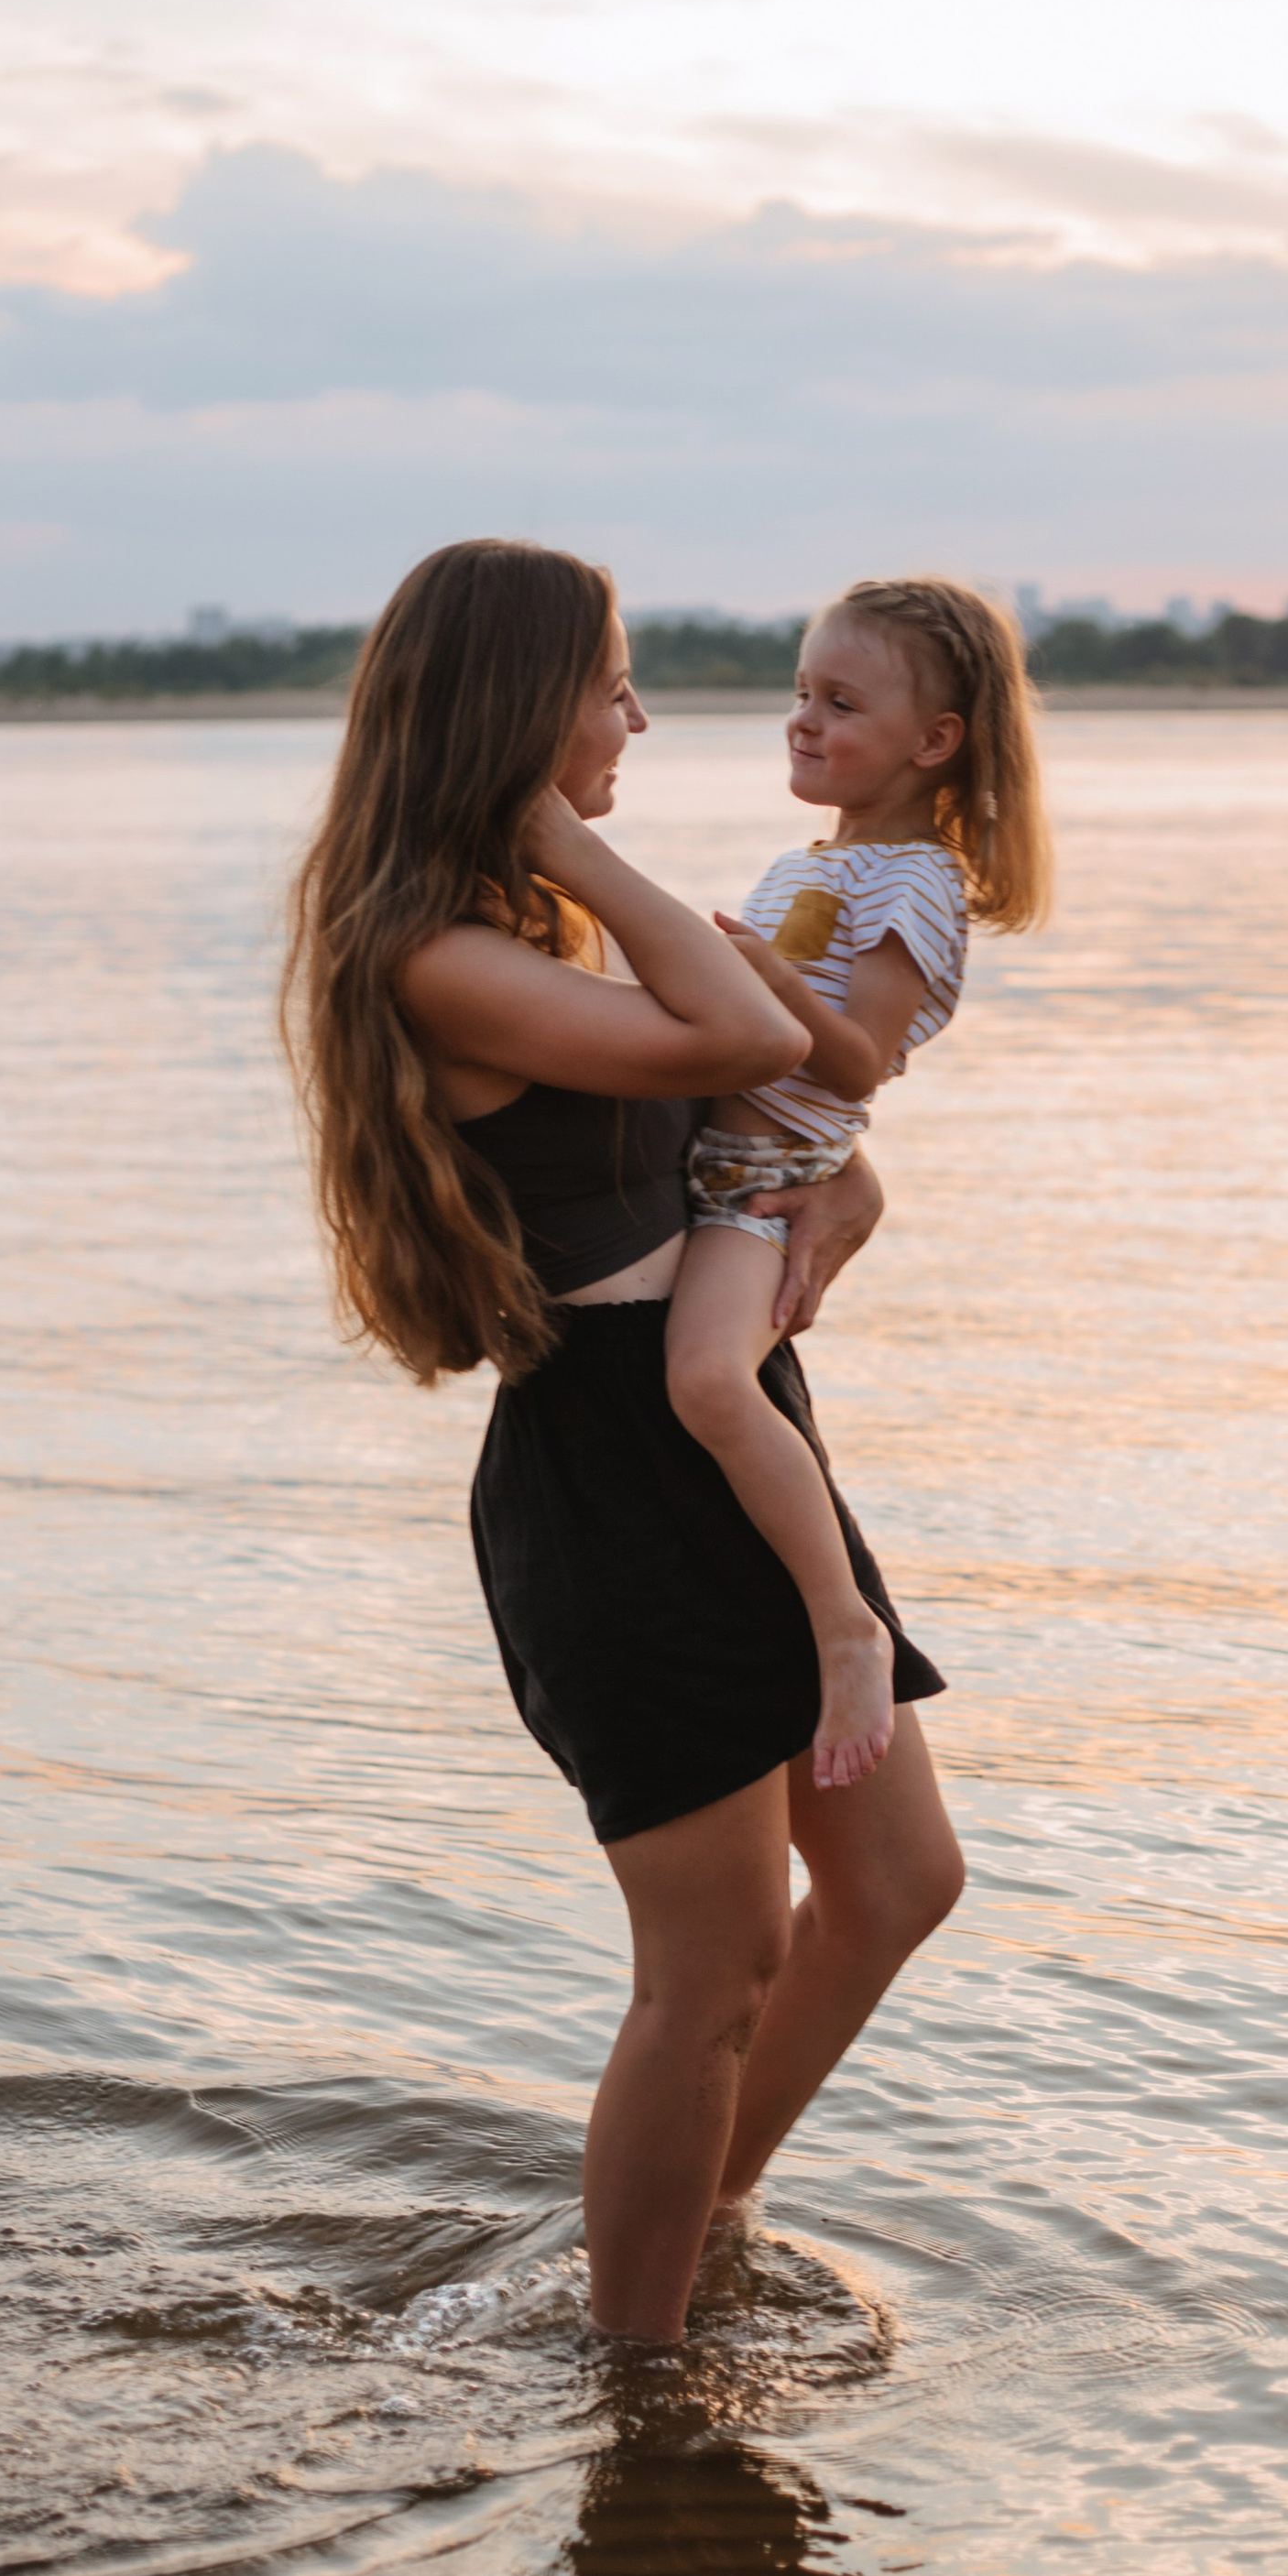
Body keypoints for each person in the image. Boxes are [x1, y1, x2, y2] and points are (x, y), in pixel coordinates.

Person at [283, 539, 966, 2345]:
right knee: (716, 1964)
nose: (639, 720)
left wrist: (854, 1197)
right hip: (608, 1465)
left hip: (731, 1427)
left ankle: (687, 2220)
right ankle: (636, 2368)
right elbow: (745, 1028)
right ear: (518, 721)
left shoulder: (533, 936)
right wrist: (565, 837)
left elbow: (770, 1108)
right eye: (609, 688)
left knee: (897, 1883)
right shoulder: (443, 957)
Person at [663, 580, 1053, 1796]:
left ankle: (844, 1622)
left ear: (934, 743)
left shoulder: (917, 884)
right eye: (798, 695)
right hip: (714, 1154)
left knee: (711, 1382)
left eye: (839, 703)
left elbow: (859, 1058)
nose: (803, 721)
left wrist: (751, 981)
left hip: (762, 1177)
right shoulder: (809, 863)